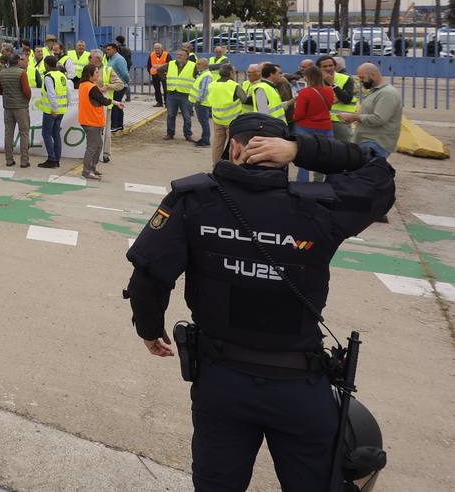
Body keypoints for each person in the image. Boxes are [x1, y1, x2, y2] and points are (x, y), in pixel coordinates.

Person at [123, 115, 395, 492]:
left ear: (234, 147)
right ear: (282, 155)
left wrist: (149, 329)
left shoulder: (194, 200)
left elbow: (149, 276)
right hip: (300, 385)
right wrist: (303, 149)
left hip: (222, 381)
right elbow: (378, 171)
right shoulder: (320, 206)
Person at [337, 62, 402, 158]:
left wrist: (355, 117)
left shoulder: (387, 93)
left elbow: (378, 119)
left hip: (376, 144)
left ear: (372, 75)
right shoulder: (376, 91)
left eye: (362, 78)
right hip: (367, 141)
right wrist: (353, 118)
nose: (360, 81)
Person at [289, 64, 334, 182]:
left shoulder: (304, 92)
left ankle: (302, 183)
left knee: (304, 157)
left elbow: (299, 114)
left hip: (305, 127)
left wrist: (293, 118)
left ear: (309, 77)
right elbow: (329, 107)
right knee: (323, 156)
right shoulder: (329, 91)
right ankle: (319, 182)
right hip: (325, 127)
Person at [77, 64, 117, 180]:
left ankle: (92, 168)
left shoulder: (83, 85)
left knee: (98, 145)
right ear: (90, 74)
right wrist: (116, 103)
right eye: (96, 72)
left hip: (88, 120)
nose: (98, 75)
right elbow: (103, 100)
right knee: (93, 147)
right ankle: (87, 171)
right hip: (91, 121)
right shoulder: (91, 87)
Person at [0, 53, 32, 168]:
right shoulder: (22, 73)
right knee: (24, 133)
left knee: (8, 133)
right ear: (18, 62)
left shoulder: (2, 73)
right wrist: (26, 99)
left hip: (8, 106)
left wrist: (8, 94)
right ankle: (24, 160)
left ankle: (9, 160)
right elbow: (27, 91)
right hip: (21, 107)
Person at [204, 63, 242, 168]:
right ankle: (230, 166)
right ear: (231, 73)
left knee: (218, 143)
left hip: (217, 118)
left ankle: (216, 164)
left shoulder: (212, 84)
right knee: (232, 143)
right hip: (232, 120)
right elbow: (244, 99)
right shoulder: (234, 85)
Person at [318, 55, 359, 144]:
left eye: (331, 65)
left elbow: (346, 99)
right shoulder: (316, 80)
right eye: (325, 66)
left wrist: (333, 84)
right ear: (319, 68)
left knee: (343, 148)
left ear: (335, 66)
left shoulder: (346, 78)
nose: (328, 68)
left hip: (339, 122)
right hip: (320, 121)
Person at [37, 55, 68, 169]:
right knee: (56, 134)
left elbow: (51, 94)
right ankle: (56, 159)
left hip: (51, 111)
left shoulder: (48, 76)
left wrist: (54, 109)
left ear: (46, 64)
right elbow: (68, 93)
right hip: (61, 110)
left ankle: (52, 159)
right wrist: (64, 107)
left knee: (46, 134)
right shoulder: (62, 75)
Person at [164, 48, 196, 142]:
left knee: (187, 116)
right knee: (171, 115)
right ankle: (170, 134)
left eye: (181, 55)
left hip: (185, 94)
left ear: (186, 57)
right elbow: (159, 70)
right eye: (177, 55)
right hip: (172, 93)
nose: (178, 56)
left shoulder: (193, 65)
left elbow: (198, 77)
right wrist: (165, 79)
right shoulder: (171, 64)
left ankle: (188, 135)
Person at [104, 42, 130, 133]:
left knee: (115, 105)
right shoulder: (111, 58)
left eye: (108, 49)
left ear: (114, 50)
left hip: (119, 86)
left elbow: (124, 73)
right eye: (106, 49)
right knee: (118, 104)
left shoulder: (119, 59)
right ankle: (119, 125)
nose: (106, 51)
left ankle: (115, 126)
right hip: (114, 86)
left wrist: (124, 83)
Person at [192, 58, 214, 147]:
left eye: (199, 64)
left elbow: (205, 89)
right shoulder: (202, 74)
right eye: (197, 63)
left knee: (204, 122)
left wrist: (199, 100)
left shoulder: (206, 75)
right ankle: (204, 138)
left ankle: (205, 140)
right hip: (201, 102)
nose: (197, 65)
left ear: (205, 65)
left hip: (202, 103)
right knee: (203, 122)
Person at [148, 43, 169, 107]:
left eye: (158, 48)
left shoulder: (166, 54)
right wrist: (150, 72)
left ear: (161, 48)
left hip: (164, 74)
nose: (157, 49)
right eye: (155, 48)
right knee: (157, 89)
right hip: (155, 74)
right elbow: (149, 65)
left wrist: (167, 72)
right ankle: (159, 102)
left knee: (166, 89)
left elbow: (170, 64)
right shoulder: (152, 54)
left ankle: (167, 103)